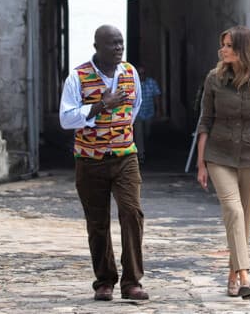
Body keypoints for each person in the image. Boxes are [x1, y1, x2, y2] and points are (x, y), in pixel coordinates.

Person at [59, 25, 149, 302]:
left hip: (124, 157)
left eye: (121, 43)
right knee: (97, 223)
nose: (119, 48)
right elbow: (66, 119)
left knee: (131, 214)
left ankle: (132, 281)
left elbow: (133, 110)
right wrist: (101, 106)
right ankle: (105, 281)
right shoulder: (77, 77)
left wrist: (116, 136)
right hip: (89, 161)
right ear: (97, 46)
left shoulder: (130, 73)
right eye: (112, 44)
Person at [195, 26, 250, 300]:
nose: (223, 49)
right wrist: (201, 163)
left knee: (244, 220)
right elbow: (205, 120)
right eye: (223, 45)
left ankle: (231, 276)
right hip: (219, 155)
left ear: (243, 48)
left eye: (229, 45)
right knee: (234, 210)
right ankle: (245, 276)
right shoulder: (214, 79)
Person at [134, 64, 162, 162]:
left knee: (147, 132)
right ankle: (141, 154)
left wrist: (158, 110)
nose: (141, 75)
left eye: (143, 73)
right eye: (139, 73)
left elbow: (156, 96)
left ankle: (144, 147)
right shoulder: (133, 84)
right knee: (138, 132)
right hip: (138, 113)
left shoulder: (152, 83)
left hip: (149, 112)